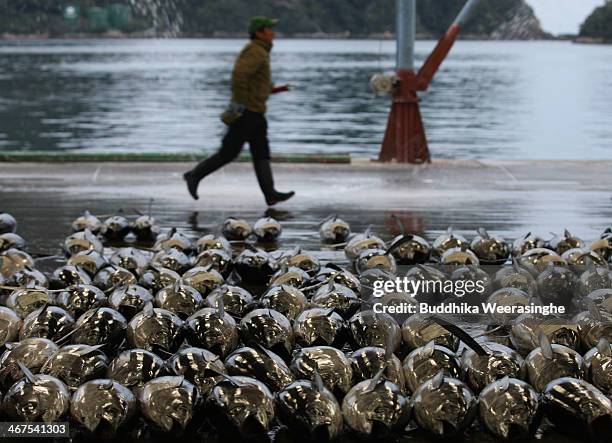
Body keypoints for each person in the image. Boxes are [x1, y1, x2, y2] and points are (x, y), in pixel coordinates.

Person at [183, 16, 295, 206]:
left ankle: (270, 193)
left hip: (256, 113)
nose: (273, 33)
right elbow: (239, 76)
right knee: (228, 153)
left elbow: (254, 82)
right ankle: (194, 176)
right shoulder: (255, 51)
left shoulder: (260, 51)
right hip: (247, 113)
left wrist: (275, 89)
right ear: (259, 33)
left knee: (261, 153)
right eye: (269, 29)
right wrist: (239, 105)